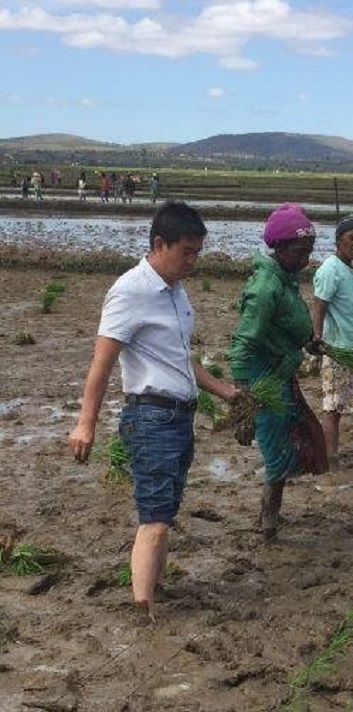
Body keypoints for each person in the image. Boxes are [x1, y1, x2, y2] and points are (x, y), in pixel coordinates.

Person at [68, 201, 239, 625]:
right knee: (156, 518)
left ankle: (154, 588)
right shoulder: (131, 291)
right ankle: (141, 610)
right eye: (186, 252)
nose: (193, 262)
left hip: (179, 416)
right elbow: (102, 363)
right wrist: (85, 423)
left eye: (198, 252)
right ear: (159, 244)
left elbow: (180, 358)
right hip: (151, 418)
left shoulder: (176, 293)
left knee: (166, 511)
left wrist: (223, 390)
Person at [229, 203, 328, 541]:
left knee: (288, 445)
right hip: (263, 379)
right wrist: (242, 404)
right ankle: (267, 523)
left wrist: (309, 342)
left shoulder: (284, 279)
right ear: (280, 248)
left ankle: (268, 515)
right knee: (276, 450)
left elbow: (287, 325)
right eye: (300, 252)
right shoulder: (264, 289)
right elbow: (243, 345)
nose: (306, 260)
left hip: (282, 373)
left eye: (309, 252)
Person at [308, 215, 353, 467]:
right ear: (338, 240)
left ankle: (330, 453)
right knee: (332, 407)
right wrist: (316, 338)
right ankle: (329, 457)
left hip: (350, 346)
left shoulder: (347, 267)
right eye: (352, 238)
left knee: (337, 408)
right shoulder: (330, 269)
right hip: (336, 348)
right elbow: (319, 305)